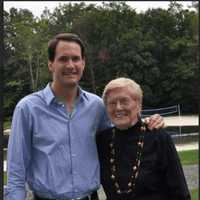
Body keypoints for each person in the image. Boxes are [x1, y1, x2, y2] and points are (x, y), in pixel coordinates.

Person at [7, 33, 164, 200]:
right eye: (63, 59)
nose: (70, 65)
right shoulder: (28, 109)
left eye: (76, 59)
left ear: (83, 63)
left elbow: (122, 136)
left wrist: (146, 123)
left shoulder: (97, 106)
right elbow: (16, 173)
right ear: (51, 64)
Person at [96, 77, 191, 200]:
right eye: (112, 103)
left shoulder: (158, 137)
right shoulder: (102, 141)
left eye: (124, 101)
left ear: (139, 105)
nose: (118, 108)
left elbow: (180, 192)